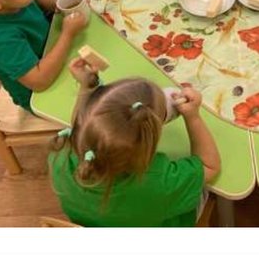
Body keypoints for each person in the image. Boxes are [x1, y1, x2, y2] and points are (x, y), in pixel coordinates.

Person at [48, 60, 220, 227]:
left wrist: (88, 87)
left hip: (96, 225)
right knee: (210, 189)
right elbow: (209, 166)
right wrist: (193, 117)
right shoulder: (160, 181)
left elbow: (81, 127)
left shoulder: (61, 152)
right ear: (145, 145)